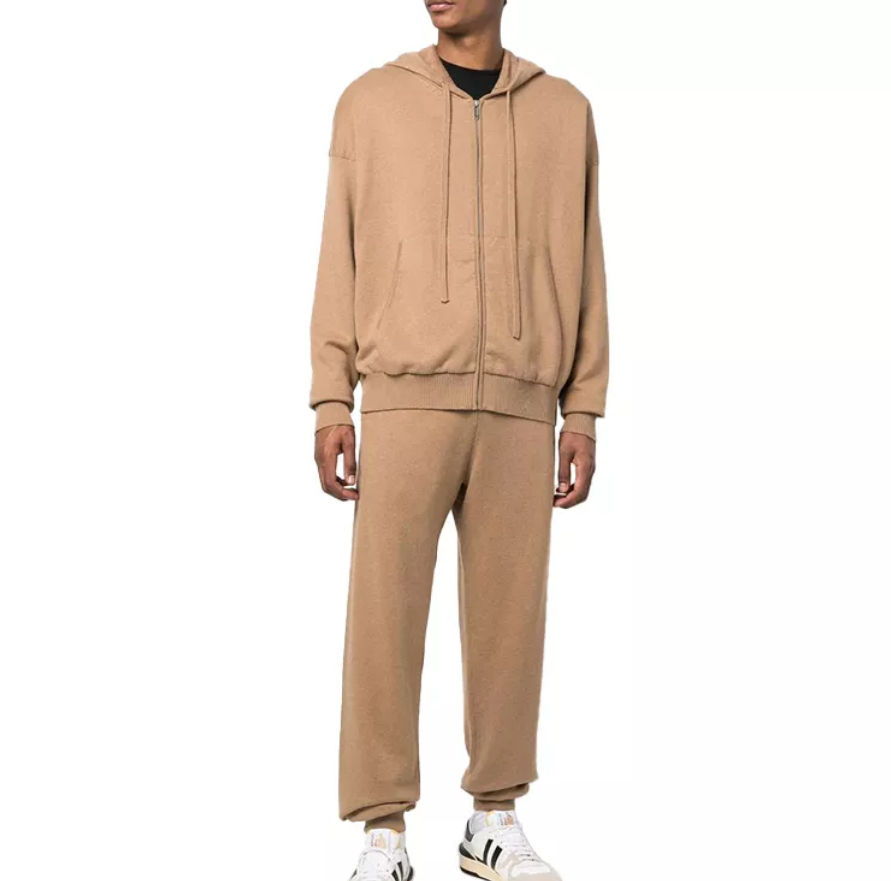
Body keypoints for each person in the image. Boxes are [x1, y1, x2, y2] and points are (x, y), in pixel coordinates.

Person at [310, 0, 608, 877]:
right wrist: (330, 397)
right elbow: (339, 254)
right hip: (403, 396)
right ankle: (382, 830)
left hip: (522, 403)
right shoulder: (369, 101)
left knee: (512, 626)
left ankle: (492, 818)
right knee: (383, 620)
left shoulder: (565, 112)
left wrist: (582, 407)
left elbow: (587, 262)